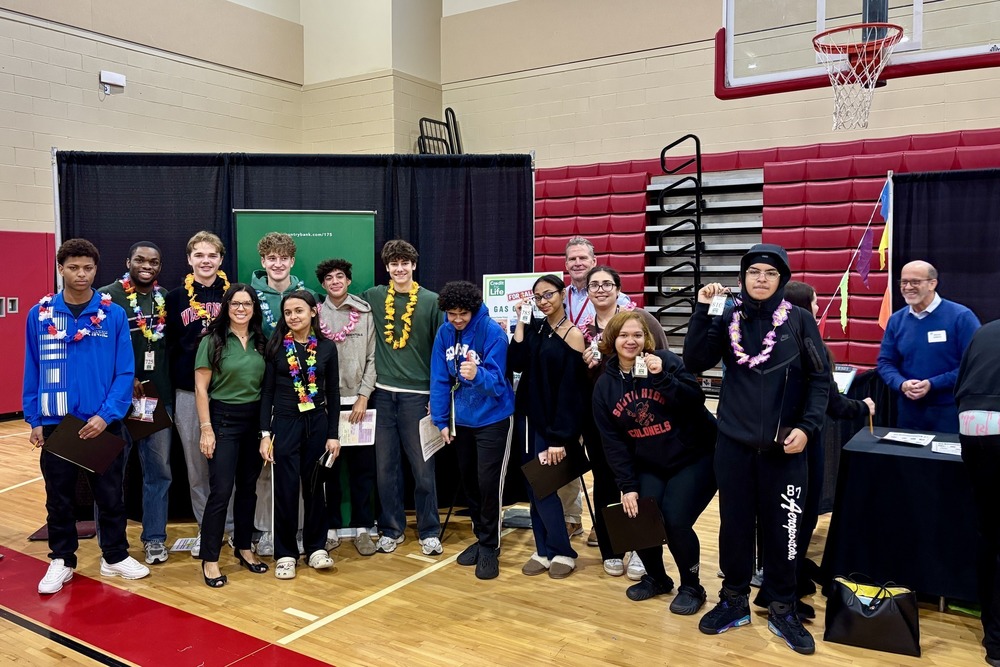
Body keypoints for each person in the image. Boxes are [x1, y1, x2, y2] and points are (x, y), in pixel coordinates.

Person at [685, 244, 830, 655]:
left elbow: (821, 381)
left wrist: (807, 427)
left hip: (786, 449)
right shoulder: (727, 315)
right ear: (742, 278)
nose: (761, 279)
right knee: (734, 524)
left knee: (784, 530)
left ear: (781, 279)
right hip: (733, 443)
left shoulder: (799, 320)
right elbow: (695, 360)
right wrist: (702, 310)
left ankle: (782, 606)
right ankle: (733, 599)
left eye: (769, 272)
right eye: (754, 272)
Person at [25, 238, 150, 594]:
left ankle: (114, 556)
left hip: (102, 423)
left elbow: (125, 372)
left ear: (96, 270)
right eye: (74, 268)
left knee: (111, 496)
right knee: (59, 497)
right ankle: (62, 560)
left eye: (88, 268)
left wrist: (107, 414)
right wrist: (34, 418)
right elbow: (32, 368)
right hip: (56, 424)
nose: (81, 275)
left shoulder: (112, 314)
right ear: (60, 269)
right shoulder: (41, 314)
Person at [592, 311, 718, 613]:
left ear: (645, 338)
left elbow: (695, 399)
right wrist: (628, 486)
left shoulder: (665, 362)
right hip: (650, 462)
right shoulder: (604, 386)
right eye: (623, 335)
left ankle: (692, 586)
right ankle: (658, 578)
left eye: (637, 335)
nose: (630, 341)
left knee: (675, 520)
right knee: (637, 515)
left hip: (695, 456)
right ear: (613, 339)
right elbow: (614, 443)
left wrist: (662, 377)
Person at [783, 280, 875, 617]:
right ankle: (785, 590)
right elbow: (832, 404)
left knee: (794, 518)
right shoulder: (810, 346)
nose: (820, 305)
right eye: (816, 300)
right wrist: (863, 406)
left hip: (791, 443)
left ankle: (791, 577)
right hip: (803, 447)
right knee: (799, 519)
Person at [580, 265, 668, 579]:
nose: (600, 289)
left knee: (643, 483)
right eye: (594, 285)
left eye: (607, 284)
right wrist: (586, 368)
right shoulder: (583, 330)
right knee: (605, 483)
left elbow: (664, 360)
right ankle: (612, 547)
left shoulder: (641, 320)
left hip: (640, 415)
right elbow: (579, 383)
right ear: (587, 291)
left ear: (618, 289)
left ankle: (643, 550)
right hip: (601, 421)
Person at [361, 240, 443, 555]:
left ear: (414, 265)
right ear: (387, 267)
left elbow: (441, 350)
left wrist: (437, 396)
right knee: (385, 468)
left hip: (418, 397)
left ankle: (429, 531)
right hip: (382, 396)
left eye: (405, 263)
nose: (399, 268)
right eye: (394, 263)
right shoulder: (373, 297)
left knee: (423, 469)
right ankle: (391, 529)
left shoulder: (431, 301)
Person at [430, 281, 515, 580]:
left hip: (492, 418)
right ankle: (482, 537)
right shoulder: (444, 333)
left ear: (474, 309)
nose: (457, 319)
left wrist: (478, 374)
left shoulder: (492, 332)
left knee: (488, 483)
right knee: (470, 483)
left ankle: (491, 545)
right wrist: (441, 421)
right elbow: (439, 378)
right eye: (451, 313)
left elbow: (498, 382)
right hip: (461, 421)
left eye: (463, 313)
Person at [98, 242, 173, 565]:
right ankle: (109, 544)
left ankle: (154, 538)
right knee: (107, 472)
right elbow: (95, 350)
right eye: (140, 260)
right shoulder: (105, 296)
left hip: (155, 400)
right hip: (114, 401)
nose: (147, 265)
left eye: (153, 261)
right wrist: (123, 376)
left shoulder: (165, 298)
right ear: (127, 261)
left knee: (158, 472)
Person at [508, 274, 587, 579]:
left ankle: (563, 551)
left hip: (553, 427)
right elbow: (515, 362)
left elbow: (572, 393)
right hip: (527, 418)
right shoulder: (537, 328)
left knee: (545, 487)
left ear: (563, 294)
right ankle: (542, 550)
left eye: (548, 294)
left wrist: (559, 438)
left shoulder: (574, 335)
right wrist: (521, 323)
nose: (543, 301)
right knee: (531, 486)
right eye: (538, 297)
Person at [260, 291, 340, 579]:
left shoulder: (328, 348)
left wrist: (334, 435)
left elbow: (333, 392)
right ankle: (285, 553)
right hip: (285, 424)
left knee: (316, 488)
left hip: (317, 423)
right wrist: (265, 434)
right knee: (285, 490)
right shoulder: (277, 347)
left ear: (313, 312)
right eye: (288, 312)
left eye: (299, 311)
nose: (294, 316)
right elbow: (266, 393)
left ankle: (316, 547)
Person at [194, 284, 268, 587]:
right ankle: (210, 559)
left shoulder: (262, 341)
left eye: (247, 304)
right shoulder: (213, 341)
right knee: (221, 490)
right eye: (235, 303)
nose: (241, 309)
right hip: (222, 420)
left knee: (249, 489)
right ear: (226, 307)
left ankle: (244, 547)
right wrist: (206, 429)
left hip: (254, 421)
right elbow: (201, 388)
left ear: (254, 308)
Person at [166, 231, 233, 558]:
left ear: (220, 260)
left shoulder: (234, 294)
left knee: (229, 463)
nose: (206, 261)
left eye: (212, 255)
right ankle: (208, 530)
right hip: (188, 393)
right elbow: (167, 346)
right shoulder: (176, 298)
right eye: (199, 255)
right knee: (196, 467)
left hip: (228, 391)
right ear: (190, 259)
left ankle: (232, 528)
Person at [250, 232, 318, 557]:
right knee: (268, 466)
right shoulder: (249, 294)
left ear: (291, 261)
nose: (277, 264)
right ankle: (266, 530)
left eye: (283, 258)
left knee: (304, 469)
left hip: (302, 395)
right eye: (271, 258)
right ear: (263, 262)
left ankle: (300, 529)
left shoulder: (306, 295)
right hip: (264, 389)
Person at [560, 237, 631, 543]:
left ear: (593, 261)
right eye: (572, 259)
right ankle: (572, 518)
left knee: (616, 469)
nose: (577, 263)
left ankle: (617, 531)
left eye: (583, 258)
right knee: (571, 458)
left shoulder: (625, 308)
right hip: (574, 389)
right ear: (566, 264)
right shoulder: (557, 296)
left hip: (617, 398)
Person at [316, 258, 377, 556]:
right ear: (323, 284)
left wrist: (364, 395)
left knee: (362, 470)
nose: (335, 281)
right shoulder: (315, 314)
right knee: (330, 470)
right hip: (327, 405)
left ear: (349, 280)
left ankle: (364, 527)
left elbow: (373, 358)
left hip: (360, 404)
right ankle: (331, 528)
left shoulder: (364, 312)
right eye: (329, 278)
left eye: (340, 276)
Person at [877, 260, 979, 433]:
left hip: (949, 411)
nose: (908, 287)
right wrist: (902, 384)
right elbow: (885, 362)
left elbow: (974, 365)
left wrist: (933, 384)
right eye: (904, 282)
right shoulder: (896, 320)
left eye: (915, 282)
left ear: (933, 283)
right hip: (908, 412)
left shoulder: (961, 317)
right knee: (909, 459)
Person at [955, 320, 1000, 667]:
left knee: (990, 532)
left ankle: (995, 640)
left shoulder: (985, 331)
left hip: (973, 427)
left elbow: (962, 382)